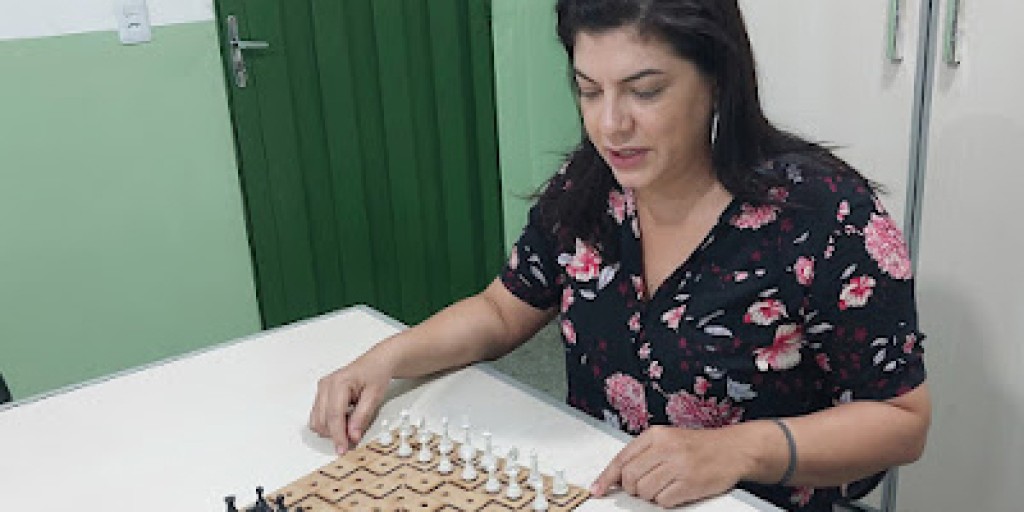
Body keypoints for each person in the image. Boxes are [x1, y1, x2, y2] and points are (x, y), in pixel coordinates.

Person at [309, 0, 931, 510]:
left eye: (645, 91)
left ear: (717, 78)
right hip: (602, 492)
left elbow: (902, 420)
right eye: (589, 91)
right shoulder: (589, 189)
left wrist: (738, 450)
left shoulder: (823, 215)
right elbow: (502, 310)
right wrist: (387, 358)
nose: (610, 125)